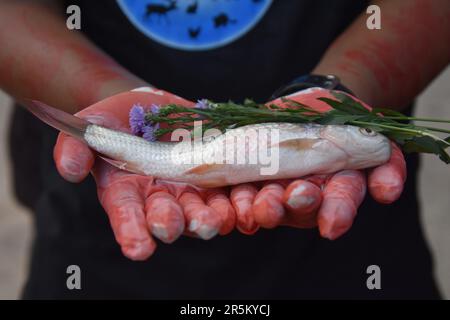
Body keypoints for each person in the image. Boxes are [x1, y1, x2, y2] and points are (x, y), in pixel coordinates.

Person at [0, 0, 448, 299]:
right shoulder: (322, 139)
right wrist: (110, 96)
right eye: (369, 134)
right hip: (96, 249)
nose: (375, 140)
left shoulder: (330, 142)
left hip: (355, 264)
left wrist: (338, 86)